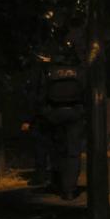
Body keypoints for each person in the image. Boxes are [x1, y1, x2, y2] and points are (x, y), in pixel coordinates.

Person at [31, 44, 85, 199]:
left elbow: (40, 94)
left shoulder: (49, 71)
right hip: (75, 113)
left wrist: (43, 112)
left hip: (53, 113)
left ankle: (57, 183)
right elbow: (86, 92)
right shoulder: (79, 71)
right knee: (73, 153)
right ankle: (69, 189)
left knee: (56, 150)